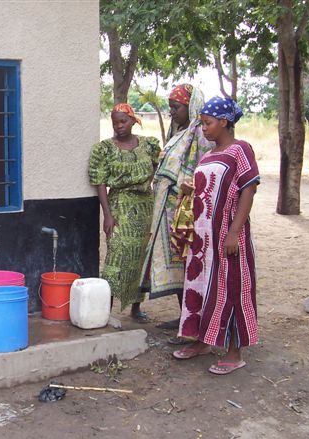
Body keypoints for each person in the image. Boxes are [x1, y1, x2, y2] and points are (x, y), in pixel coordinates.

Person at [172, 96, 259, 375]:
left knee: (232, 287)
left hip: (227, 236)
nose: (204, 128)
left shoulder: (240, 150)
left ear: (224, 122)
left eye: (208, 123)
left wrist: (234, 232)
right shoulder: (208, 156)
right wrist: (190, 187)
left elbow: (249, 188)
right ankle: (202, 341)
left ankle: (234, 352)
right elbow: (206, 190)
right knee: (201, 287)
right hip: (202, 240)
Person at [140, 84, 214, 330]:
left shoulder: (200, 133)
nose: (172, 112)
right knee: (178, 267)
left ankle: (194, 321)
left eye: (176, 107)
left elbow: (201, 170)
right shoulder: (180, 132)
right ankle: (185, 317)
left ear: (190, 106)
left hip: (185, 212)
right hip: (169, 211)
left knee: (188, 263)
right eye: (170, 107)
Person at [89, 103, 160, 320]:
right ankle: (106, 311)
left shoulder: (148, 145)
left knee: (140, 260)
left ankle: (136, 308)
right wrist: (108, 215)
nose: (119, 126)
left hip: (145, 208)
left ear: (132, 120)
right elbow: (99, 182)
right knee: (116, 260)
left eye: (123, 121)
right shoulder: (104, 149)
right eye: (115, 122)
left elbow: (156, 169)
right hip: (120, 207)